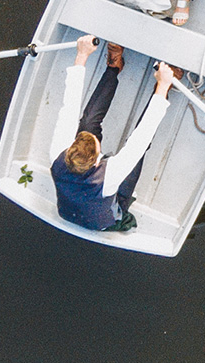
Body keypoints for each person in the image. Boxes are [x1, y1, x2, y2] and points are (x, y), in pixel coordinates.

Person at [47, 35, 177, 233]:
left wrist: (82, 55)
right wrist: (163, 84)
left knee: (88, 122)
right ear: (97, 161)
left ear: (70, 148)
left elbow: (69, 105)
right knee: (139, 150)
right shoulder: (109, 177)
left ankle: (114, 67)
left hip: (69, 211)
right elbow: (142, 136)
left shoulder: (58, 153)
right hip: (106, 215)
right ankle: (163, 87)